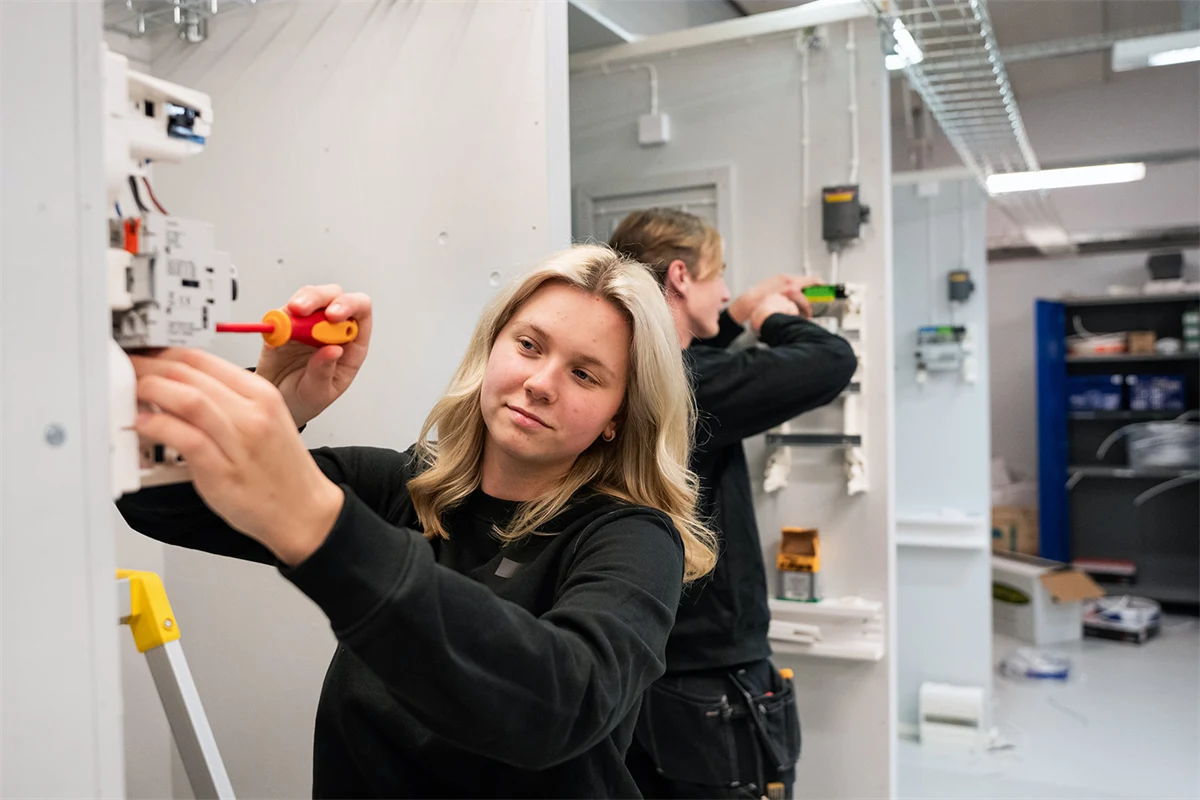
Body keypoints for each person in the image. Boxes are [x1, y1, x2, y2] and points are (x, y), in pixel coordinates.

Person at [116, 244, 718, 798]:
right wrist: (279, 401)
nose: (539, 384)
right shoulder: (401, 489)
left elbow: (560, 705)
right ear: (492, 349)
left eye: (585, 374)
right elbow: (158, 504)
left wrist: (326, 528)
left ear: (618, 415)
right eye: (529, 346)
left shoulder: (633, 540)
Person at [609, 208, 858, 799]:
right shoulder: (689, 384)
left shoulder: (632, 375)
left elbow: (704, 358)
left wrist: (737, 310)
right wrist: (772, 318)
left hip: (647, 667)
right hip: (708, 676)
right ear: (679, 277)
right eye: (718, 277)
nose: (723, 291)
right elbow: (831, 361)